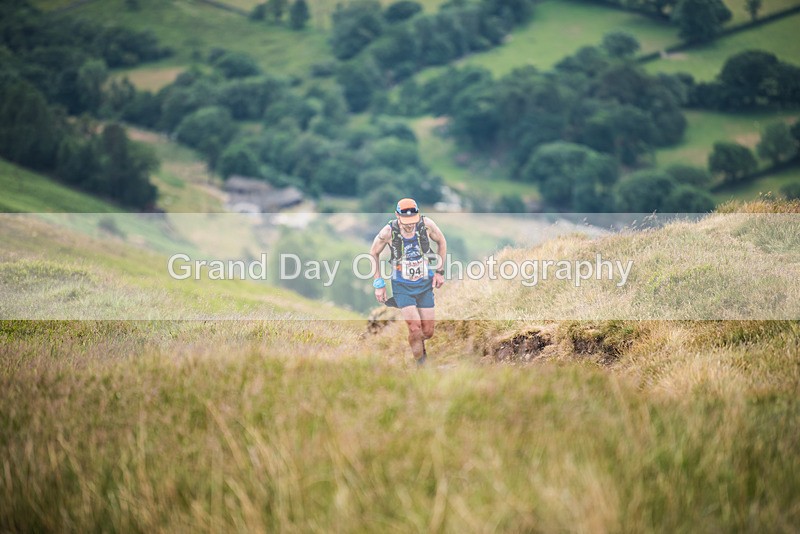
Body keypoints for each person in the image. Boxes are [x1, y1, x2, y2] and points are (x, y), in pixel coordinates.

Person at [369, 198, 447, 366]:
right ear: (397, 215)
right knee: (414, 327)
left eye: (413, 221)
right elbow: (373, 253)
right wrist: (379, 283)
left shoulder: (426, 225)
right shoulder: (388, 232)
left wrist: (439, 272)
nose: (410, 225)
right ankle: (421, 365)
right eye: (406, 222)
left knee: (427, 331)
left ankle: (418, 342)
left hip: (425, 284)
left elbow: (441, 241)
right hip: (402, 286)